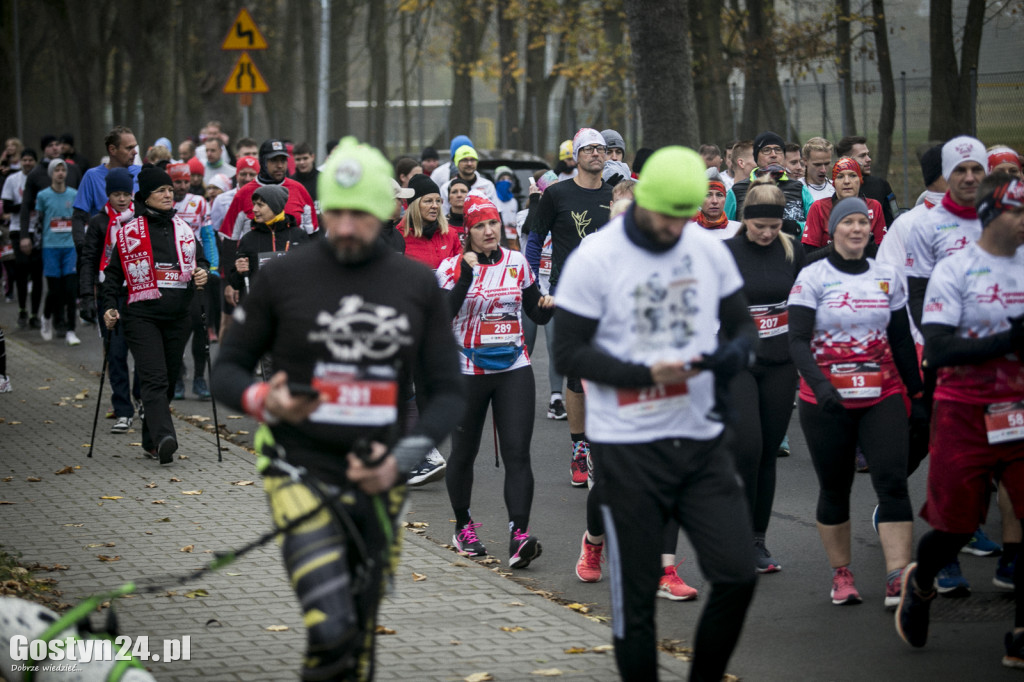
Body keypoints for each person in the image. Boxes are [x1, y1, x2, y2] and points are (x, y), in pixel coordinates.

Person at [211, 136, 464, 681]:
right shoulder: (283, 277)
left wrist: (400, 461)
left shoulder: (414, 283)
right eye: (336, 213)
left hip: (379, 477)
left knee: (359, 636)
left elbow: (448, 393)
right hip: (296, 467)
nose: (346, 227)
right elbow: (226, 370)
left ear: (387, 213)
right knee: (330, 624)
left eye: (361, 215)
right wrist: (262, 398)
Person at [555, 146, 758, 682]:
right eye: (666, 213)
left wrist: (722, 361)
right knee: (637, 598)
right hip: (627, 446)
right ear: (641, 198)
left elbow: (742, 330)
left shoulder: (705, 248)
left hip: (700, 440)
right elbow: (568, 355)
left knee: (737, 576)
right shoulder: (596, 257)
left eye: (684, 214)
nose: (674, 227)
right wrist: (647, 374)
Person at [894, 172, 1024, 667]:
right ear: (997, 214)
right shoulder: (956, 270)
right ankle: (921, 582)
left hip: (1019, 410)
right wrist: (1007, 341)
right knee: (954, 528)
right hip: (963, 411)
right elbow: (939, 351)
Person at [789, 197, 924, 607]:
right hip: (824, 400)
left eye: (863, 222)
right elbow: (796, 340)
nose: (857, 229)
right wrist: (822, 386)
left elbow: (901, 339)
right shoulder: (812, 277)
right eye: (847, 222)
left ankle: (897, 575)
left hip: (881, 394)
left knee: (893, 482)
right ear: (832, 230)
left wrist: (917, 395)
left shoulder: (887, 275)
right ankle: (842, 574)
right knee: (835, 487)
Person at [436, 194, 554, 565]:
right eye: (479, 226)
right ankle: (464, 527)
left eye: (493, 224)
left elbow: (534, 310)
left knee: (518, 452)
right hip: (467, 371)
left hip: (513, 368)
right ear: (467, 232)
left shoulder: (517, 262)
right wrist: (466, 277)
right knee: (465, 453)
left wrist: (546, 309)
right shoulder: (451, 267)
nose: (488, 231)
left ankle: (519, 535)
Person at [101, 166, 209, 465]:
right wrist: (110, 306)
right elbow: (112, 276)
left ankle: (151, 442)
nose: (168, 194)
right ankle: (164, 437)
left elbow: (201, 260)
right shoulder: (128, 232)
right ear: (146, 196)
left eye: (170, 191)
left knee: (170, 377)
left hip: (178, 315)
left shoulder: (184, 228)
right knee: (155, 378)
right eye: (161, 190)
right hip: (141, 315)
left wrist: (202, 272)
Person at [725, 181, 806, 573]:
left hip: (779, 363)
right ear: (746, 221)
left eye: (775, 227)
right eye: (761, 227)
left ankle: (758, 540)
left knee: (768, 453)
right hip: (739, 365)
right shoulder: (727, 253)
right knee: (747, 448)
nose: (768, 233)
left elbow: (807, 300)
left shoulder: (793, 251)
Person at [532, 127, 614, 486]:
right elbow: (535, 241)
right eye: (589, 149)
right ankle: (580, 448)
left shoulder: (617, 196)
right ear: (577, 155)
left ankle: (605, 446)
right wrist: (531, 285)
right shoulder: (556, 194)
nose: (597, 154)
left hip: (611, 297)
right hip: (568, 294)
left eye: (602, 149)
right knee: (577, 376)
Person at [80, 167, 142, 433]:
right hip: (109, 291)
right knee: (115, 354)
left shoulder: (139, 218)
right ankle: (122, 409)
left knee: (142, 350)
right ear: (108, 195)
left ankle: (141, 398)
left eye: (126, 194)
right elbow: (88, 259)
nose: (121, 199)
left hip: (137, 290)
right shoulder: (98, 222)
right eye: (116, 194)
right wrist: (85, 295)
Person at [221, 139, 318, 240]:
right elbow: (230, 239)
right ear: (262, 161)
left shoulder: (299, 189)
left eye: (283, 160)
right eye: (274, 160)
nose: (280, 165)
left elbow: (313, 235)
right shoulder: (243, 194)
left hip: (295, 254)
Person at [228, 184, 308, 300]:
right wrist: (239, 272)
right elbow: (235, 283)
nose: (254, 209)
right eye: (254, 204)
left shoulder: (298, 235)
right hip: (260, 307)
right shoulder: (248, 239)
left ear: (275, 207)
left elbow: (310, 274)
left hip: (291, 304)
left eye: (260, 205)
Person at [726, 131, 814, 234]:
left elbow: (814, 225)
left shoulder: (799, 188)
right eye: (766, 150)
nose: (773, 155)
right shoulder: (737, 191)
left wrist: (795, 227)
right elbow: (726, 228)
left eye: (778, 150)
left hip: (791, 248)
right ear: (756, 157)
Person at [802, 157, 886, 257]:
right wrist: (839, 244)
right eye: (840, 177)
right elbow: (807, 258)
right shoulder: (819, 207)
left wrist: (867, 241)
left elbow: (883, 255)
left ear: (860, 180)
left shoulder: (874, 206)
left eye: (852, 175)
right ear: (833, 183)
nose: (846, 181)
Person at [35, 159, 79, 345]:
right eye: (57, 170)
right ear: (51, 173)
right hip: (50, 247)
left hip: (69, 247)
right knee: (54, 291)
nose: (60, 173)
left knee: (70, 290)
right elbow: (38, 222)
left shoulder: (74, 194)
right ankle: (46, 318)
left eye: (63, 170)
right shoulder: (43, 196)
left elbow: (77, 221)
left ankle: (71, 330)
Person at [2, 149, 40, 328]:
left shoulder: (40, 178)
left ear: (35, 161)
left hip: (37, 229)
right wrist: (25, 205)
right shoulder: (12, 179)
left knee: (38, 273)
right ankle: (22, 309)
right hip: (18, 229)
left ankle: (34, 313)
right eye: (24, 160)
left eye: (30, 160)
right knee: (22, 269)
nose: (27, 163)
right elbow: (7, 205)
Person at [397, 175, 461, 268]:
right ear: (415, 205)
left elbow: (460, 270)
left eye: (438, 201)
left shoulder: (450, 234)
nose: (435, 206)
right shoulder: (399, 236)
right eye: (428, 201)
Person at [836, 135, 900, 227]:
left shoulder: (880, 185)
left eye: (868, 155)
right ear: (845, 159)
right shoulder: (831, 188)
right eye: (862, 156)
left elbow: (895, 217)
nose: (869, 159)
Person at [440, 145, 497, 215]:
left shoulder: (488, 185)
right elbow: (443, 215)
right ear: (457, 163)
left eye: (472, 160)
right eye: (465, 160)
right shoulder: (446, 187)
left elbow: (497, 212)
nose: (469, 164)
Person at [692, 170, 741, 239]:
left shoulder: (738, 230)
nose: (715, 201)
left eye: (719, 195)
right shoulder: (689, 232)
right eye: (708, 195)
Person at [801, 137, 836, 202]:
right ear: (805, 161)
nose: (823, 170)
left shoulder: (836, 188)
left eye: (827, 164)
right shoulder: (797, 188)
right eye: (817, 165)